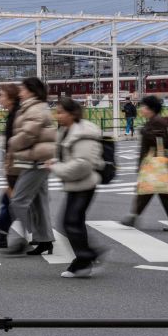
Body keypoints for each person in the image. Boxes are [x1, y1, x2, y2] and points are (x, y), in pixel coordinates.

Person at [49, 96, 104, 278]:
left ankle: (87, 256)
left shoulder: (82, 133)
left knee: (70, 222)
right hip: (76, 183)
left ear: (72, 113)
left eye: (60, 112)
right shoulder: (67, 129)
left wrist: (55, 167)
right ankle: (84, 260)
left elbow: (82, 164)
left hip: (84, 183)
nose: (57, 116)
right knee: (73, 222)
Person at [5, 76, 56, 256]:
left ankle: (29, 235)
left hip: (36, 160)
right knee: (39, 203)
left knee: (18, 200)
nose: (20, 92)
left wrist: (12, 142)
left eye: (23, 89)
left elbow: (28, 134)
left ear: (31, 91)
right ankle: (45, 241)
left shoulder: (35, 109)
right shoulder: (34, 107)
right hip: (37, 159)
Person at [122, 95, 168, 232]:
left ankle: (135, 216)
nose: (141, 109)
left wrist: (144, 132)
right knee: (152, 190)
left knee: (161, 192)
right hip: (155, 162)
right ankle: (134, 216)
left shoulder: (157, 121)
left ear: (151, 109)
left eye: (143, 106)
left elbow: (159, 140)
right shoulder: (153, 120)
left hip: (156, 163)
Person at [0, 83, 21, 249]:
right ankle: (3, 234)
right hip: (14, 165)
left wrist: (9, 168)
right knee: (10, 201)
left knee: (11, 201)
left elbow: (13, 144)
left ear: (10, 97)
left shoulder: (16, 115)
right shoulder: (13, 114)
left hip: (16, 166)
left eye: (1, 95)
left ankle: (4, 234)